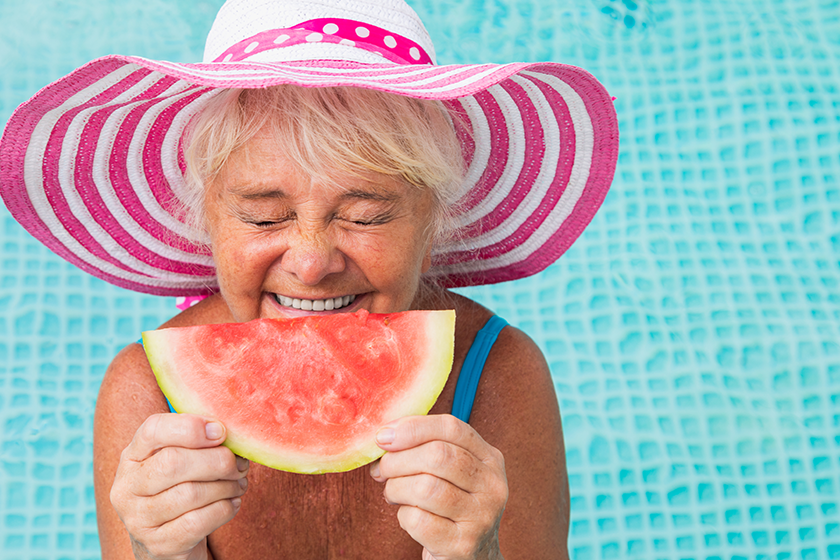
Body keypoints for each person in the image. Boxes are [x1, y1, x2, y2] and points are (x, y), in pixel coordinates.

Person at [0, 0, 618, 557]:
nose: (312, 262)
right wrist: (160, 554)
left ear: (432, 223)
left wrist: (477, 554)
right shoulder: (145, 392)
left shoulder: (499, 374)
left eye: (364, 216)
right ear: (206, 220)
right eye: (264, 217)